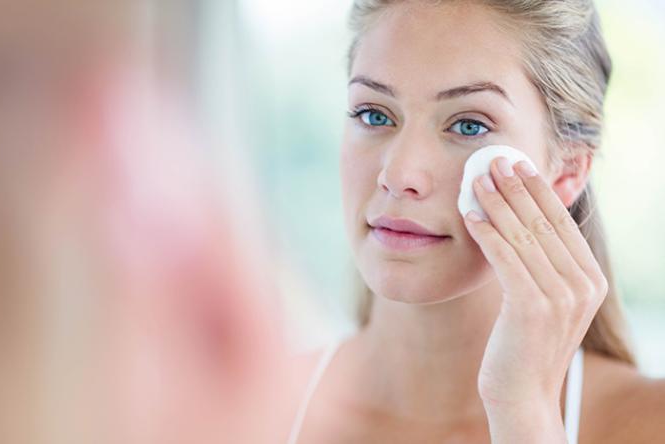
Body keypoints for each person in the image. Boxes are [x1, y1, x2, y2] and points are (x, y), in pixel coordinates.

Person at [285, 1, 665, 443]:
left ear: (567, 172)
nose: (399, 175)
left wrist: (524, 413)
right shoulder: (236, 413)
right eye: (374, 114)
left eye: (468, 126)